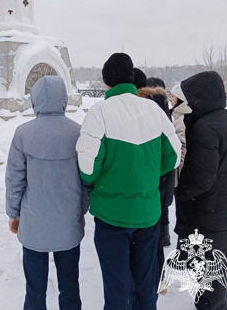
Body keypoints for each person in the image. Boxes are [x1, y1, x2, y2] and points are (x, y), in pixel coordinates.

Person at [76, 53, 181, 310]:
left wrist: (107, 178)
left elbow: (87, 167)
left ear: (106, 81)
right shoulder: (153, 111)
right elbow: (174, 155)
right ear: (132, 79)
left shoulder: (99, 111)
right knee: (145, 288)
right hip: (147, 214)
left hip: (111, 216)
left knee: (117, 290)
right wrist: (146, 174)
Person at [6, 76, 89, 310]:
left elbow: (15, 179)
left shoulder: (23, 134)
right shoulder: (78, 132)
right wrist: (82, 209)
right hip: (68, 220)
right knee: (70, 286)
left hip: (34, 222)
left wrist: (13, 213)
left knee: (35, 289)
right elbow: (86, 179)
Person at [174, 72, 227, 310]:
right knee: (226, 274)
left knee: (209, 288)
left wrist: (179, 191)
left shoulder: (205, 128)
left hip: (207, 218)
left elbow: (201, 178)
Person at [137, 77, 174, 251]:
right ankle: (164, 235)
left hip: (153, 170)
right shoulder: (164, 108)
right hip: (164, 172)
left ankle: (159, 239)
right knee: (162, 206)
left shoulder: (148, 109)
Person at [169, 83, 192, 187]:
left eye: (173, 96)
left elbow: (183, 149)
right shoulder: (180, 117)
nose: (170, 99)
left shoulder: (181, 120)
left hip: (180, 175)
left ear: (180, 98)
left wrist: (178, 179)